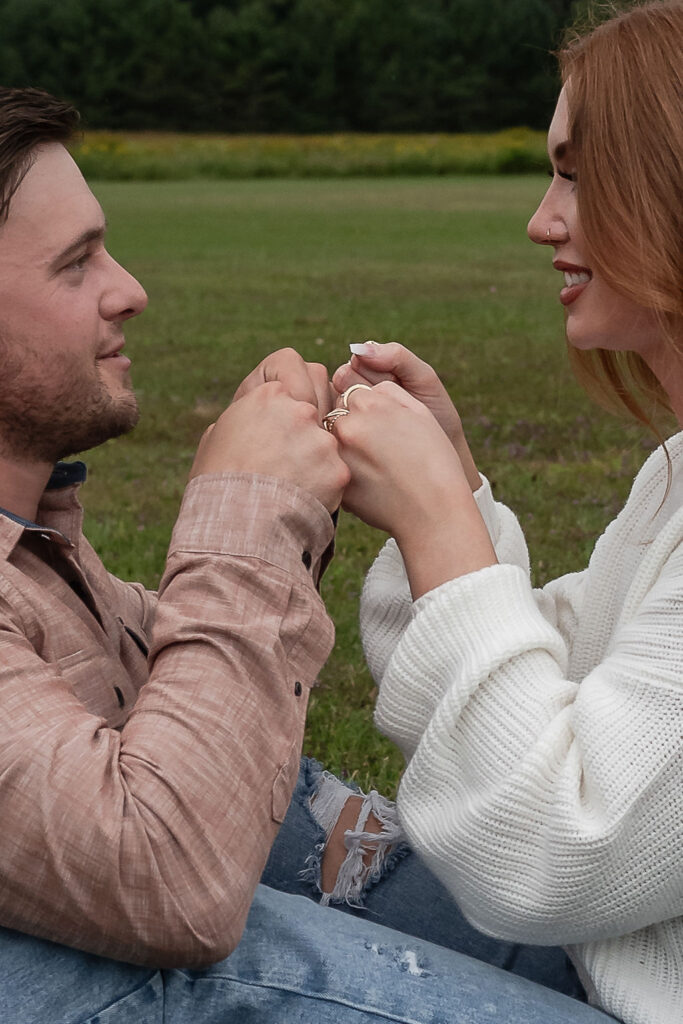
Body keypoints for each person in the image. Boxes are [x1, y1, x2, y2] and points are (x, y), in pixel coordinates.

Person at [0, 87, 614, 1024]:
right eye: (76, 264)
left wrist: (283, 513)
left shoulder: (34, 544)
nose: (130, 288)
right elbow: (167, 871)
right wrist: (247, 516)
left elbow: (182, 707)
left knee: (585, 967)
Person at [317, 2, 682, 1023]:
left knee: (204, 957)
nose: (540, 218)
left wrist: (442, 527)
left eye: (574, 174)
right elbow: (561, 678)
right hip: (600, 964)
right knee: (259, 834)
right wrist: (457, 497)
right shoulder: (674, 478)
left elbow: (553, 842)